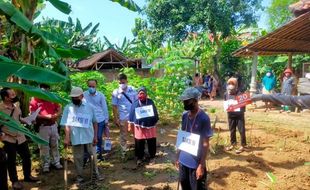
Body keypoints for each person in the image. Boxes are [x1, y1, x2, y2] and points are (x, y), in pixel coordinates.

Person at [60, 87, 103, 184]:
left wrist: (95, 136)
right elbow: (67, 124)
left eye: (76, 97)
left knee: (93, 157)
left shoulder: (89, 107)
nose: (74, 99)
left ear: (82, 96)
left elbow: (95, 122)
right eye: (73, 97)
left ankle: (95, 175)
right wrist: (67, 137)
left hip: (89, 136)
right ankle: (80, 178)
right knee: (78, 158)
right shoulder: (68, 108)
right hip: (76, 137)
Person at [0, 87, 39, 190]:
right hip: (8, 138)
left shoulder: (16, 106)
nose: (15, 96)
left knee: (26, 156)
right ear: (6, 97)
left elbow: (19, 119)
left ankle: (27, 176)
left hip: (21, 136)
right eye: (12, 95)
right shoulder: (0, 108)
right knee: (11, 161)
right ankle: (15, 181)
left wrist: (29, 120)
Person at [176, 87, 213, 190]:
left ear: (196, 101)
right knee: (184, 185)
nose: (185, 103)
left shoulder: (204, 118)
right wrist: (178, 156)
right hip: (184, 160)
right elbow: (182, 137)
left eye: (187, 101)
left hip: (195, 163)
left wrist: (201, 165)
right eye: (184, 101)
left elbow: (205, 144)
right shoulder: (184, 116)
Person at [29, 84, 63, 173]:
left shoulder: (52, 97)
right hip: (42, 126)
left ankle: (56, 162)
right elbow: (33, 114)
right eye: (42, 90)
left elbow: (59, 108)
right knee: (44, 147)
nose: (44, 92)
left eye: (46, 90)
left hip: (53, 125)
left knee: (54, 144)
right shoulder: (34, 100)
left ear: (48, 90)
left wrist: (56, 114)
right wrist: (45, 117)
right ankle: (45, 164)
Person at [128, 87, 159, 166]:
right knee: (139, 142)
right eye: (139, 93)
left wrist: (154, 121)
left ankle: (152, 157)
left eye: (143, 93)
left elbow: (155, 113)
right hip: (139, 126)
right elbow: (131, 114)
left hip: (150, 125)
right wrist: (130, 124)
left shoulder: (150, 102)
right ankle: (139, 158)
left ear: (146, 94)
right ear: (137, 94)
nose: (141, 95)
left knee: (151, 141)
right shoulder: (135, 103)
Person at [83, 79, 109, 160]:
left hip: (99, 119)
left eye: (93, 86)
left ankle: (98, 155)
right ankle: (87, 155)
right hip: (88, 120)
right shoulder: (84, 95)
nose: (91, 88)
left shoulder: (101, 95)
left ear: (96, 86)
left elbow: (104, 108)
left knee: (98, 137)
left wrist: (106, 120)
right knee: (88, 137)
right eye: (89, 86)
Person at [112, 73, 137, 154]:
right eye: (120, 83)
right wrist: (115, 118)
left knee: (136, 133)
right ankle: (123, 151)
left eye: (123, 82)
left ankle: (138, 149)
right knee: (123, 134)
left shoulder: (133, 90)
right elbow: (114, 106)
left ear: (127, 81)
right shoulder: (116, 92)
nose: (122, 84)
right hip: (123, 117)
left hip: (134, 116)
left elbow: (137, 102)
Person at [224, 78, 246, 154]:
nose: (230, 85)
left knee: (241, 130)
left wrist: (237, 107)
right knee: (232, 130)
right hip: (230, 115)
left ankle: (243, 145)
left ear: (236, 85)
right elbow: (225, 103)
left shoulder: (240, 94)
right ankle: (233, 144)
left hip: (239, 116)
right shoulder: (226, 94)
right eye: (229, 83)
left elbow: (243, 106)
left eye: (232, 84)